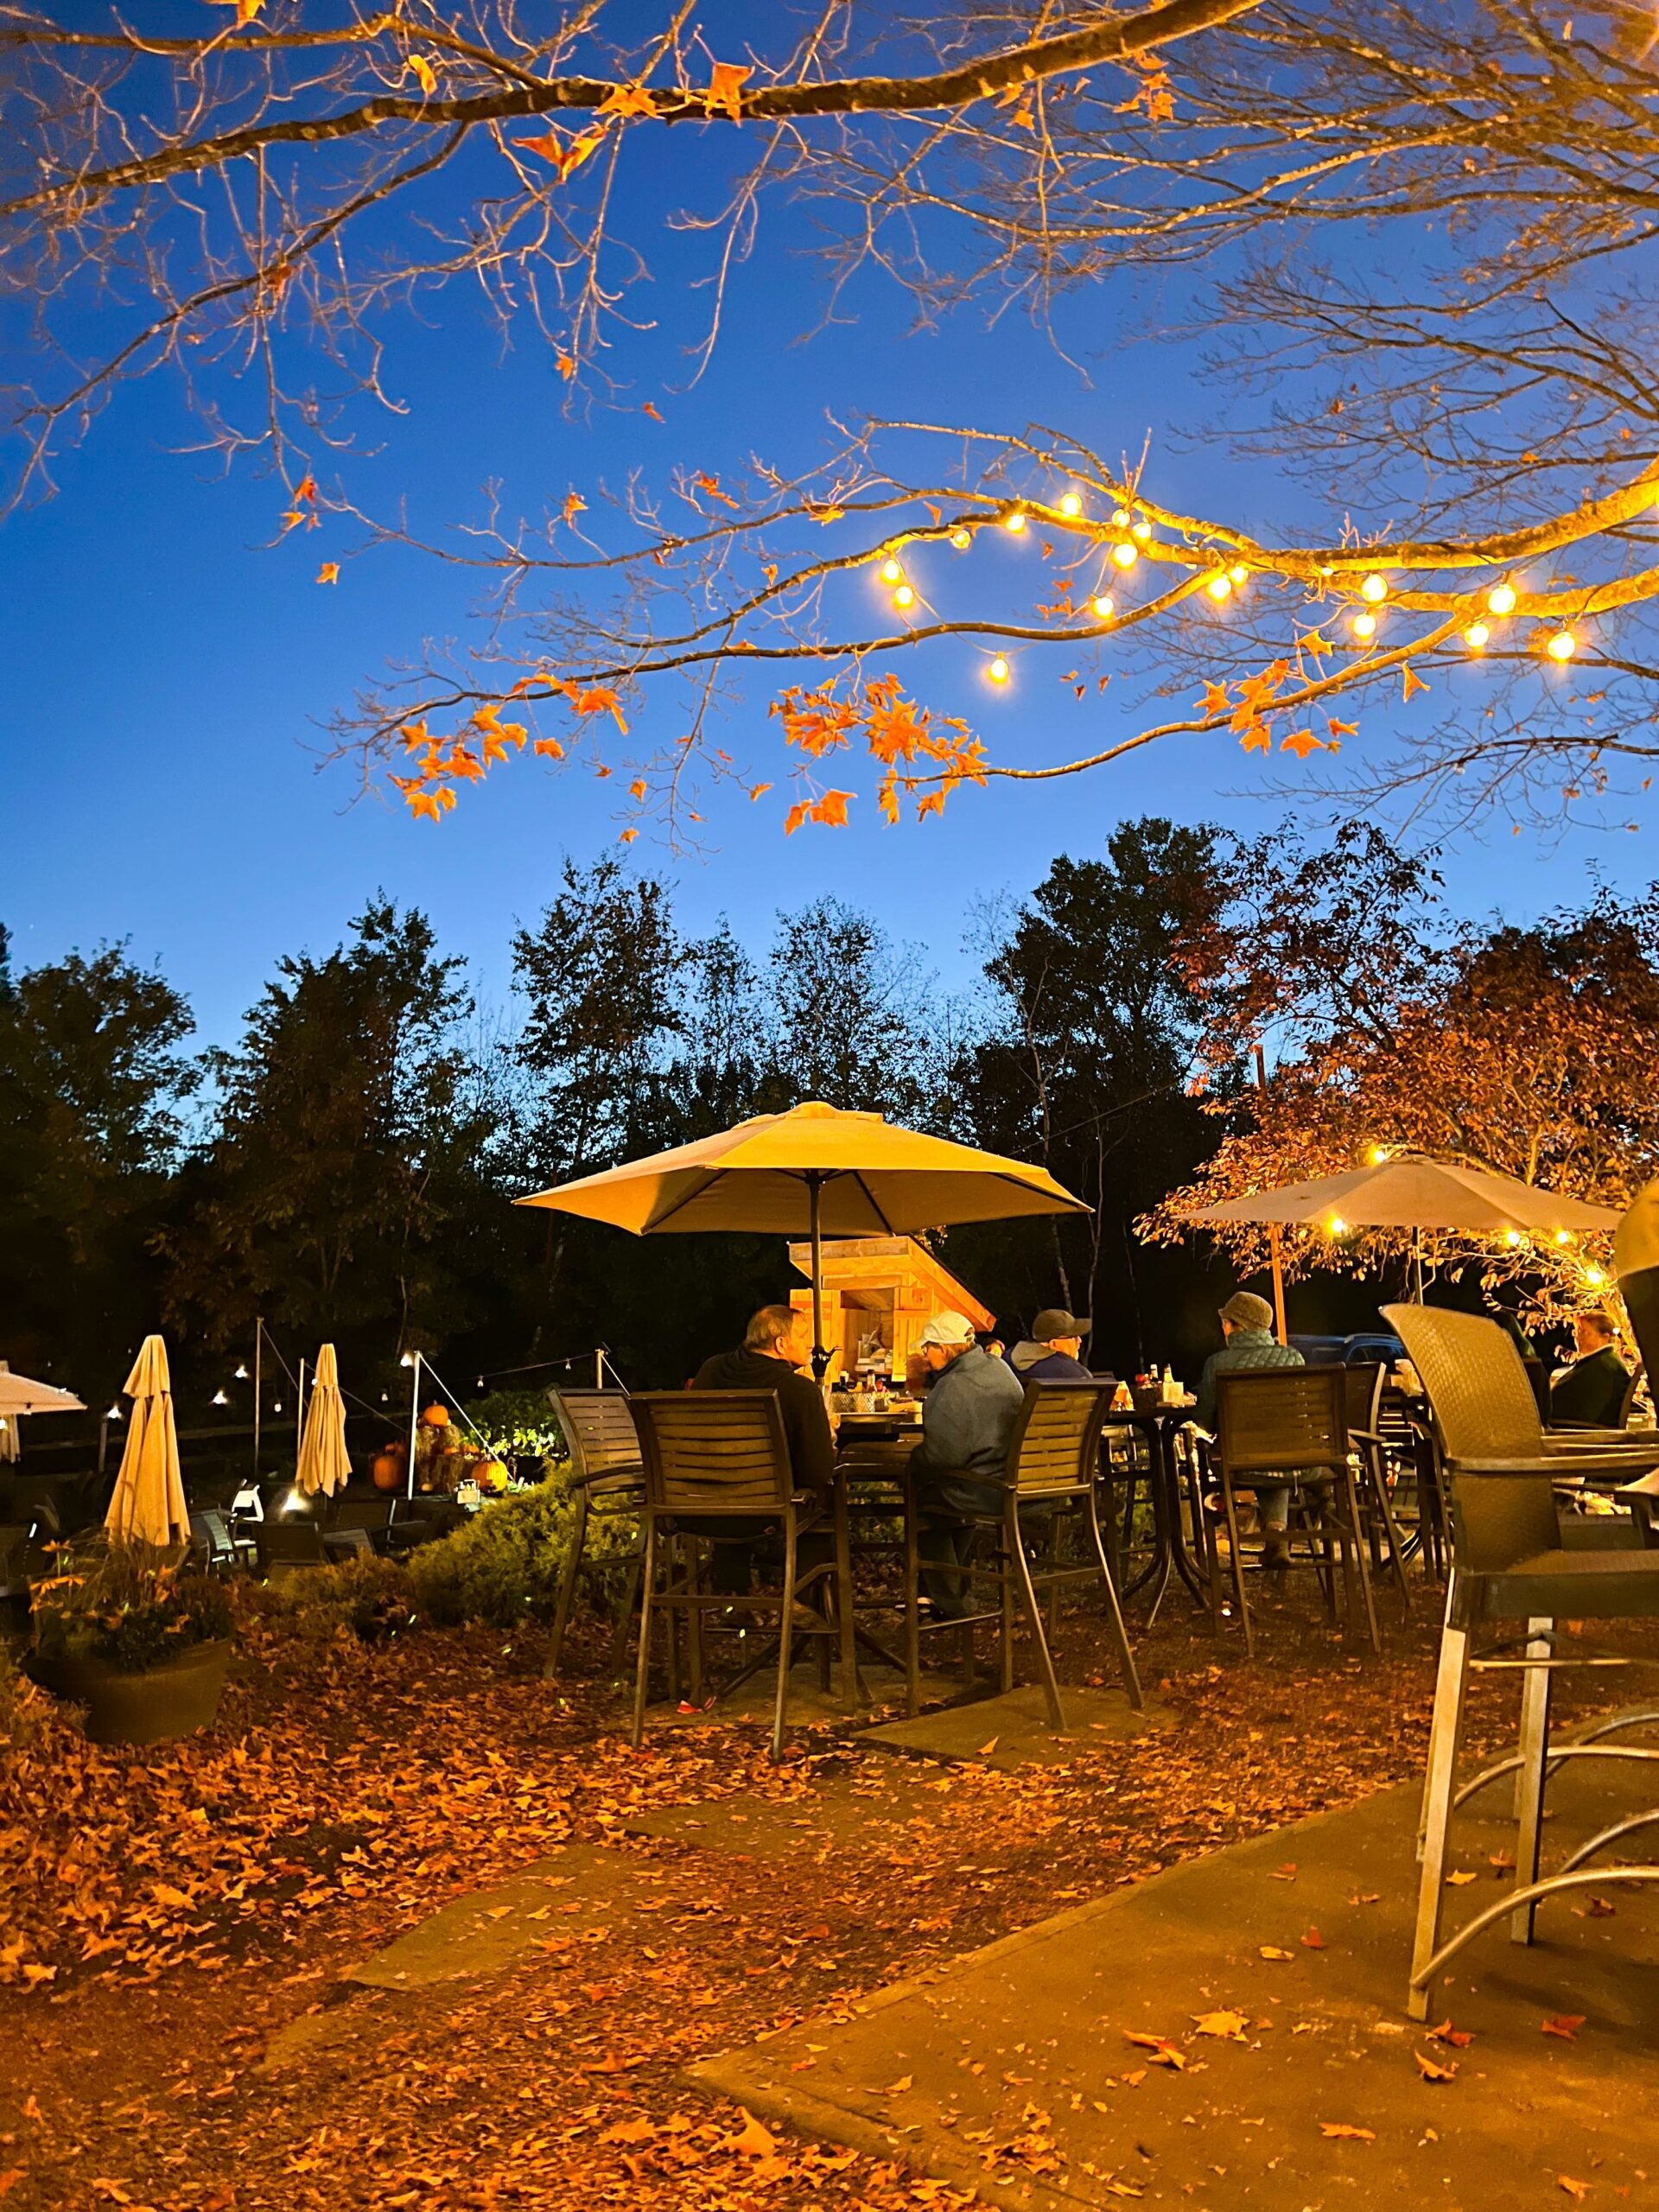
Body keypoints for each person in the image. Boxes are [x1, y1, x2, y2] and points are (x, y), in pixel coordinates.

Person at [690, 1304, 835, 1594]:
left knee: (732, 1485)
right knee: (824, 1499)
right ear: (782, 1344)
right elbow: (818, 1471)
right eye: (804, 1337)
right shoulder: (797, 1390)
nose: (811, 1346)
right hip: (766, 1514)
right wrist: (827, 1435)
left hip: (700, 1509)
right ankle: (805, 1600)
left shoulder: (710, 1371)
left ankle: (733, 1594)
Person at [909, 1309, 1027, 1618]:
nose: (924, 1354)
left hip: (987, 1491)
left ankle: (950, 1600)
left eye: (927, 1348)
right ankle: (944, 1594)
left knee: (924, 1492)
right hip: (1015, 1481)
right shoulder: (998, 1368)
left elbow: (941, 1457)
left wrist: (910, 1462)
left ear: (944, 1349)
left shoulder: (953, 1386)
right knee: (945, 1493)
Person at [1193, 1290, 1305, 1568]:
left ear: (1237, 1326)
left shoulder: (1218, 1363)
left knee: (1258, 1456)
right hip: (1298, 1463)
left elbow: (1204, 1420)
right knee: (1275, 1457)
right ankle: (1276, 1534)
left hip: (1240, 1464)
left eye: (1225, 1323)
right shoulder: (1293, 1358)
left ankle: (1275, 1535)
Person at [1549, 1309, 1632, 1429]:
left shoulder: (1603, 1366)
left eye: (1584, 1332)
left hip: (1575, 1434)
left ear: (1605, 1337)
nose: (1578, 1338)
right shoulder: (1598, 1361)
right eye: (1576, 1332)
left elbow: (1586, 1411)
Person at [1005, 1307, 1092, 1384]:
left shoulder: (1006, 1358)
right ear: (1053, 1344)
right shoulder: (1074, 1374)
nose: (1079, 1341)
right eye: (1074, 1337)